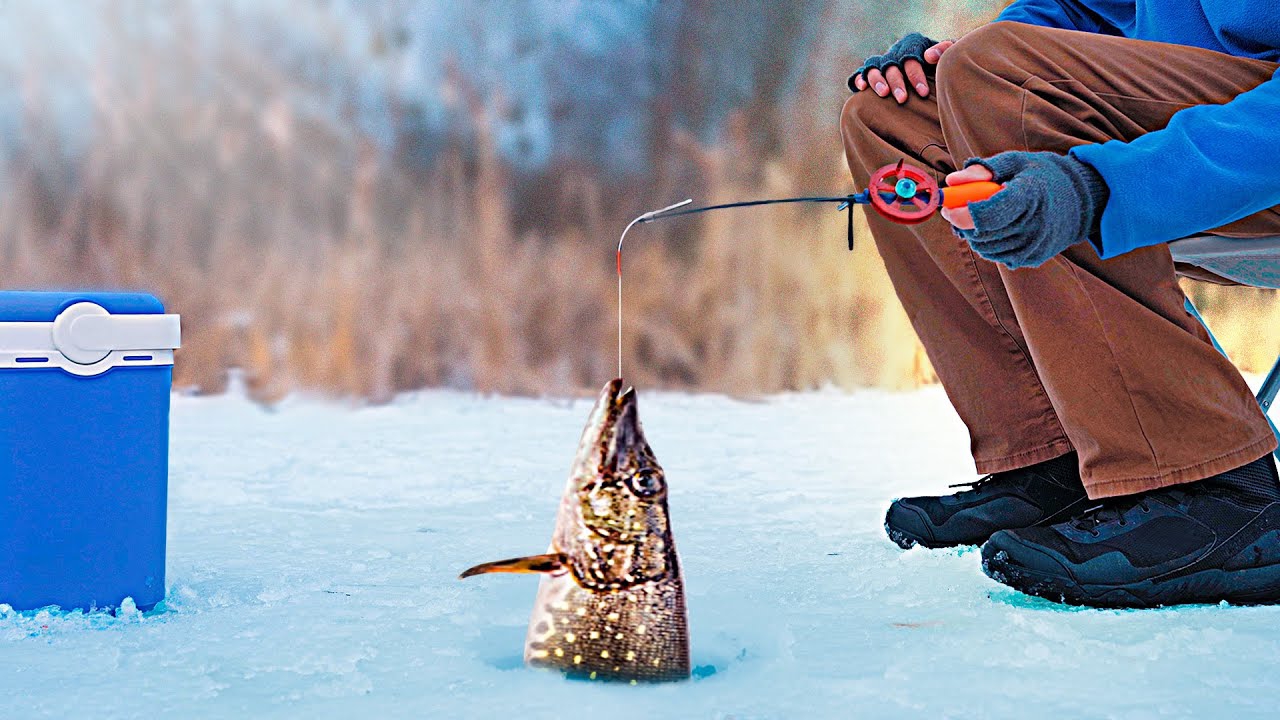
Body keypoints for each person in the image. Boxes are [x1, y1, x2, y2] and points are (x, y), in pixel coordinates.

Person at [841, 1, 1280, 607]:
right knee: (894, 115)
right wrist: (943, 66)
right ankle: (1058, 459)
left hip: (1255, 144)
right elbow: (1085, 8)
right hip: (1195, 125)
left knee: (1000, 79)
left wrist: (1107, 184)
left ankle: (1215, 487)